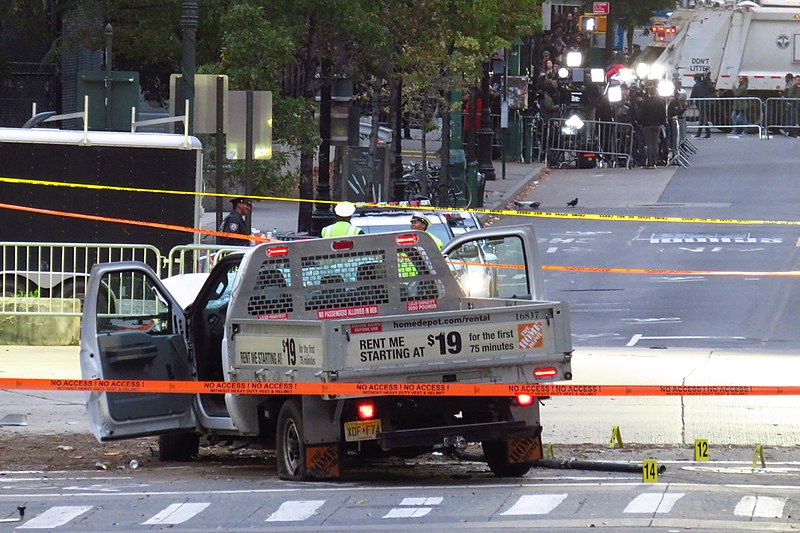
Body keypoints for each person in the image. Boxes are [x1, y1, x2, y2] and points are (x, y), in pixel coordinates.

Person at [637, 86, 667, 169]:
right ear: (656, 92)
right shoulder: (660, 102)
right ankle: (655, 162)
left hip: (646, 125)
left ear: (648, 93)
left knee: (649, 144)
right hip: (656, 125)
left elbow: (640, 115)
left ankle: (650, 162)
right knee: (655, 143)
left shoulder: (644, 103)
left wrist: (641, 123)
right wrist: (660, 122)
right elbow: (663, 114)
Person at [691, 73, 713, 138]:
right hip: (707, 102)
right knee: (702, 117)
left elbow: (693, 95)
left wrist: (689, 103)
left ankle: (707, 133)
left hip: (700, 103)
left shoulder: (696, 86)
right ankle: (699, 133)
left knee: (703, 118)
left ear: (696, 79)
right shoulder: (705, 84)